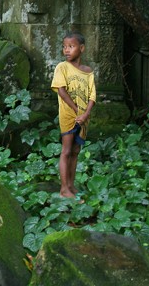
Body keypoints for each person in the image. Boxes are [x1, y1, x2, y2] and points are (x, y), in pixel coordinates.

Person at [51, 31, 96, 199]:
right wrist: (77, 110)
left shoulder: (88, 71)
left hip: (84, 118)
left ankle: (71, 185)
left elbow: (92, 95)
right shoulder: (61, 68)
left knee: (76, 151)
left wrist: (86, 113)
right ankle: (63, 189)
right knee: (67, 150)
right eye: (64, 47)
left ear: (81, 48)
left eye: (71, 46)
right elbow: (61, 90)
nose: (67, 50)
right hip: (69, 116)